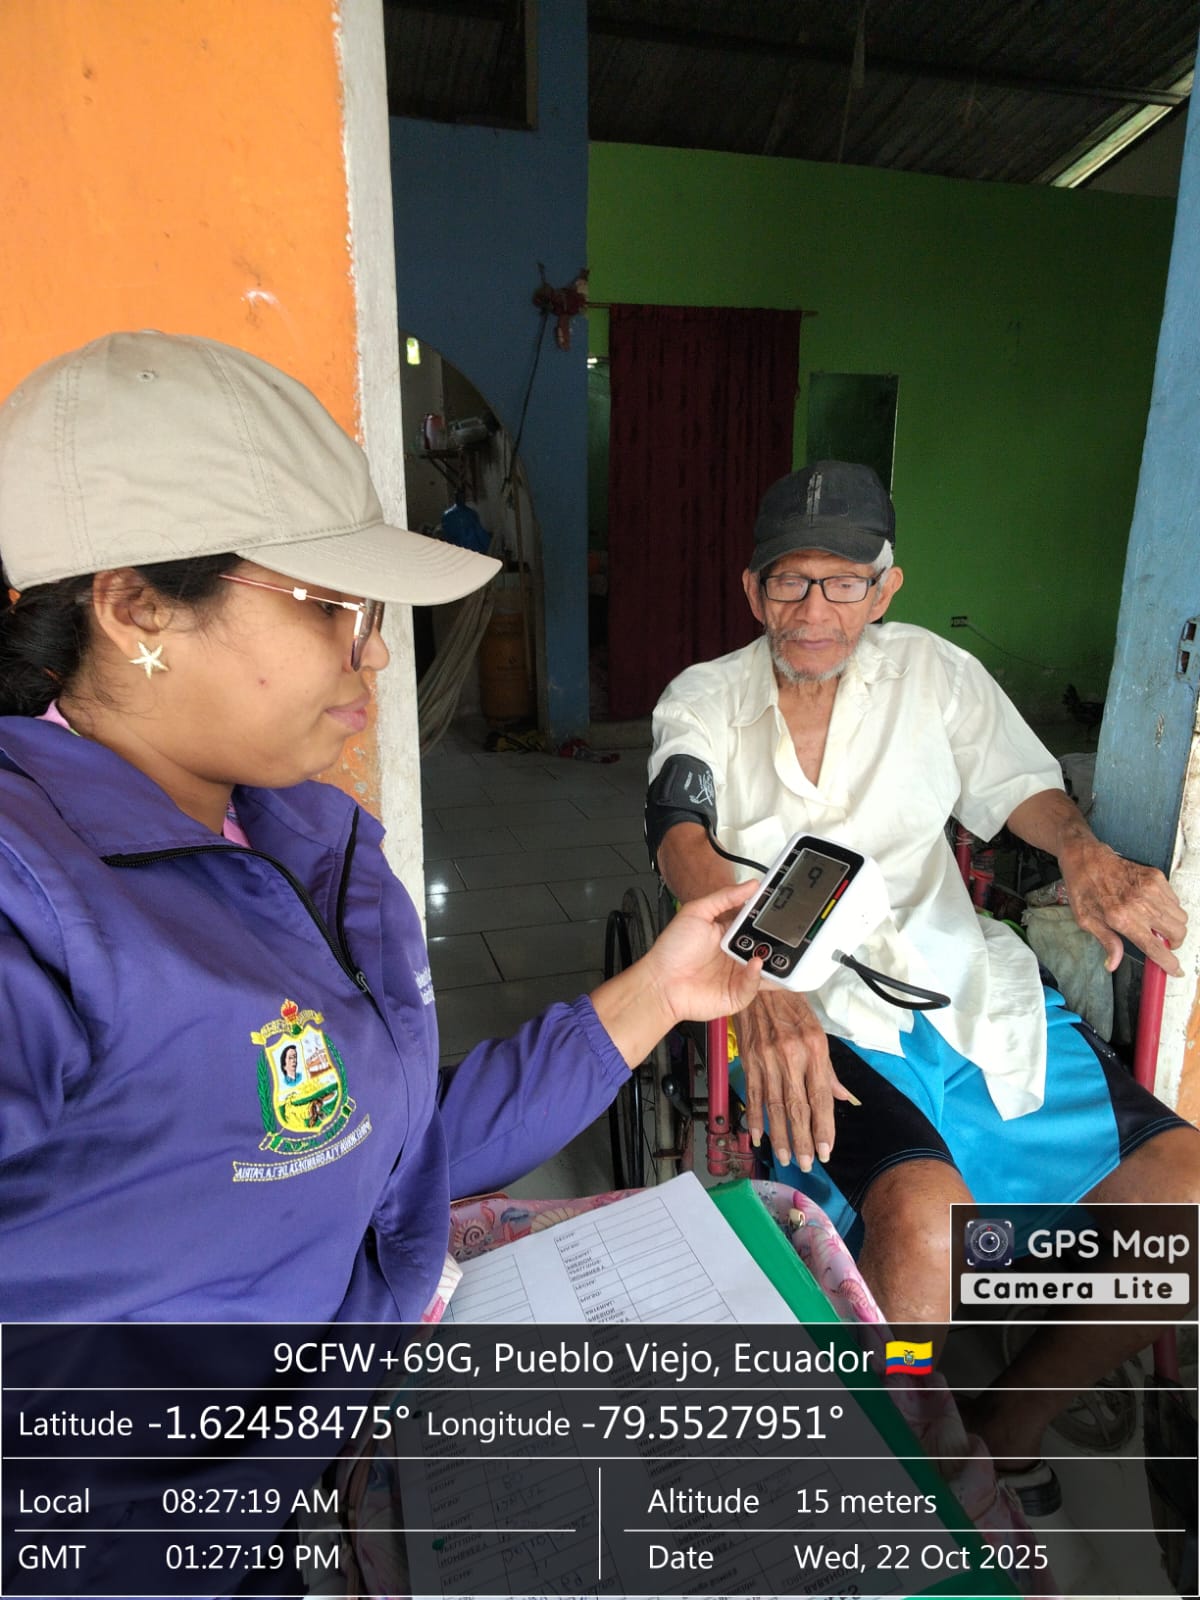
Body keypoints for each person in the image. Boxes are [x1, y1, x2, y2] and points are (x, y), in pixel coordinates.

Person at [0, 330, 763, 1324]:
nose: (376, 655)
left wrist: (659, 990)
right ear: (138, 607)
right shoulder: (28, 902)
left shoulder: (299, 830)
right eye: (330, 609)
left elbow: (382, 1142)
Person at [647, 460, 1200, 1500]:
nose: (815, 610)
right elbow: (680, 831)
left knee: (1185, 1201)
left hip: (965, 985)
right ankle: (899, 1436)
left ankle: (1003, 1422)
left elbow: (1021, 785)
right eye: (790, 581)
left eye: (844, 581)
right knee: (923, 1220)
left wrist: (1082, 851)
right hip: (808, 1009)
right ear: (752, 590)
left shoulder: (935, 674)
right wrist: (760, 978)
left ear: (885, 588)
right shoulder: (706, 698)